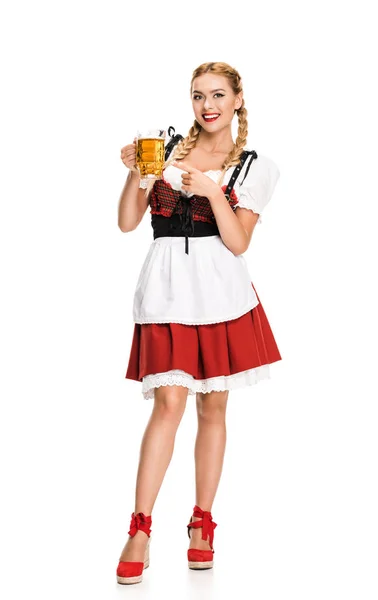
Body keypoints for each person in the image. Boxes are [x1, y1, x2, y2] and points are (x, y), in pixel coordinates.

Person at [116, 61, 282, 584]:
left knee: (213, 407)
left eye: (216, 95)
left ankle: (202, 523)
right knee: (168, 403)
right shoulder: (163, 153)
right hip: (166, 293)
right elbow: (126, 222)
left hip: (221, 296)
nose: (206, 105)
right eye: (197, 96)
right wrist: (134, 173)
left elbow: (238, 242)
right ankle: (140, 528)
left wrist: (211, 190)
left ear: (236, 100)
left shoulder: (253, 165)